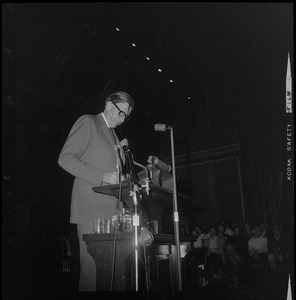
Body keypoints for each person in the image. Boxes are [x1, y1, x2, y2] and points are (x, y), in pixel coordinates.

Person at [58, 91, 134, 291]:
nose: (122, 119)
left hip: (112, 215)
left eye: (126, 116)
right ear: (109, 104)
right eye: (120, 113)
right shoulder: (89, 122)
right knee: (92, 275)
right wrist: (103, 176)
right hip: (92, 213)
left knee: (112, 276)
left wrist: (123, 155)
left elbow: (114, 172)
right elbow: (65, 158)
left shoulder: (113, 134)